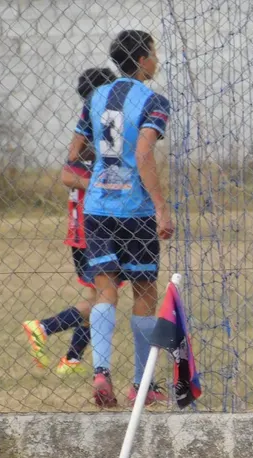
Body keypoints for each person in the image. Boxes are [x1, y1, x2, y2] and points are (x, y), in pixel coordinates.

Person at [68, 29, 174, 408]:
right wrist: (161, 205)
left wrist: (100, 174)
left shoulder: (96, 97)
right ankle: (140, 386)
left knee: (105, 289)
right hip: (135, 210)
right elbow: (144, 154)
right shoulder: (153, 101)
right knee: (145, 291)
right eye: (154, 52)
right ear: (143, 59)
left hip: (96, 209)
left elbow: (74, 152)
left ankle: (100, 373)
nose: (156, 58)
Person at [23, 67, 118, 377]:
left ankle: (72, 359)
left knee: (100, 295)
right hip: (91, 230)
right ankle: (44, 327)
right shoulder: (91, 129)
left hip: (93, 228)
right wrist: (102, 186)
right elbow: (68, 174)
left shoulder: (102, 127)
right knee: (105, 297)